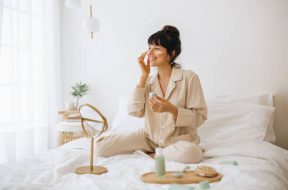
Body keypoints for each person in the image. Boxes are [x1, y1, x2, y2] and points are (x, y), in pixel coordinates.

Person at [95, 25, 207, 164]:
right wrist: (143, 76)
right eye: (149, 48)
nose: (150, 53)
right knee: (100, 147)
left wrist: (172, 110)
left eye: (157, 48)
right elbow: (135, 112)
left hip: (177, 141)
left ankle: (157, 154)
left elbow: (200, 118)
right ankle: (159, 153)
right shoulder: (148, 81)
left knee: (192, 153)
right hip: (149, 138)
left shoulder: (189, 77)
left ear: (171, 54)